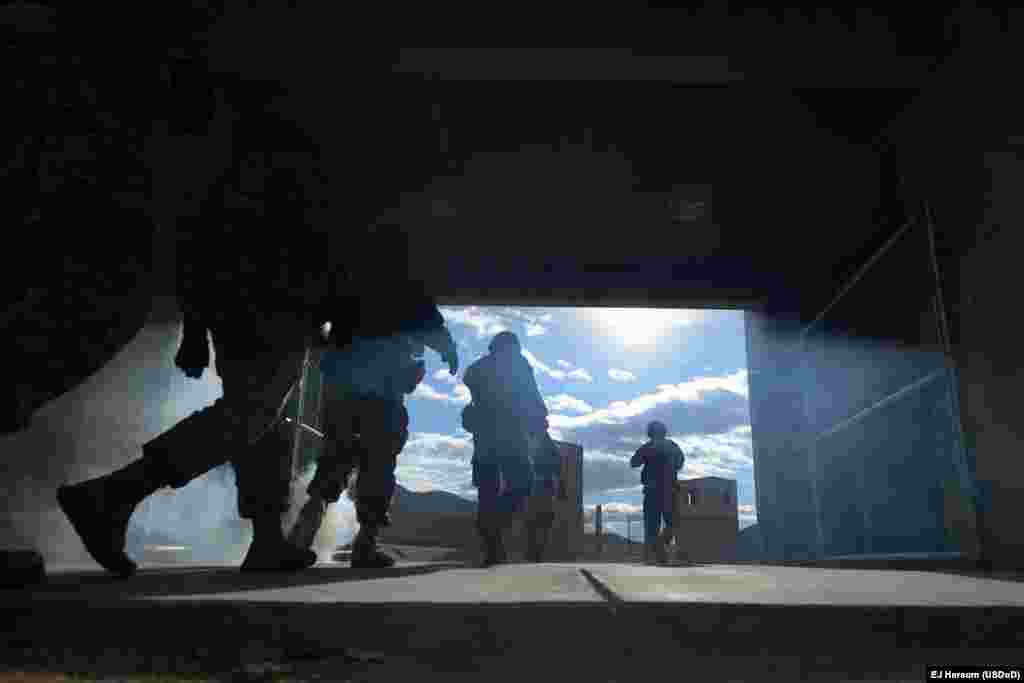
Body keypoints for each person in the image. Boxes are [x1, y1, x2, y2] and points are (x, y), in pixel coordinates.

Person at [56, 107, 340, 576]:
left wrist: (197, 327)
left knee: (260, 425)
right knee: (249, 415)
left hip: (254, 309)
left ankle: (267, 541)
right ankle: (112, 493)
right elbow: (208, 249)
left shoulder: (241, 180)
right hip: (268, 310)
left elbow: (199, 249)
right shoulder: (273, 185)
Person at [288, 288, 458, 568]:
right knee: (377, 466)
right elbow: (431, 325)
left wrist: (322, 345)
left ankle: (300, 539)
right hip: (384, 394)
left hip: (343, 389)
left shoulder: (348, 278)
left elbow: (315, 320)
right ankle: (365, 545)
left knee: (334, 461)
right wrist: (448, 349)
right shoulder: (404, 285)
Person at [462, 331, 549, 567]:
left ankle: (492, 544)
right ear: (512, 346)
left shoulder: (479, 366)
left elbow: (468, 378)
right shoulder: (517, 363)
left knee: (487, 491)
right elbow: (531, 393)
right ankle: (495, 524)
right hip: (511, 435)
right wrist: (540, 419)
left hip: (484, 439)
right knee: (522, 483)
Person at [630, 420, 685, 565]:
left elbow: (634, 462)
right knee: (669, 522)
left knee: (655, 525)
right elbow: (680, 463)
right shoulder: (670, 446)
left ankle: (659, 549)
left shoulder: (650, 447)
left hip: (656, 490)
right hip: (664, 489)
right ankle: (659, 553)